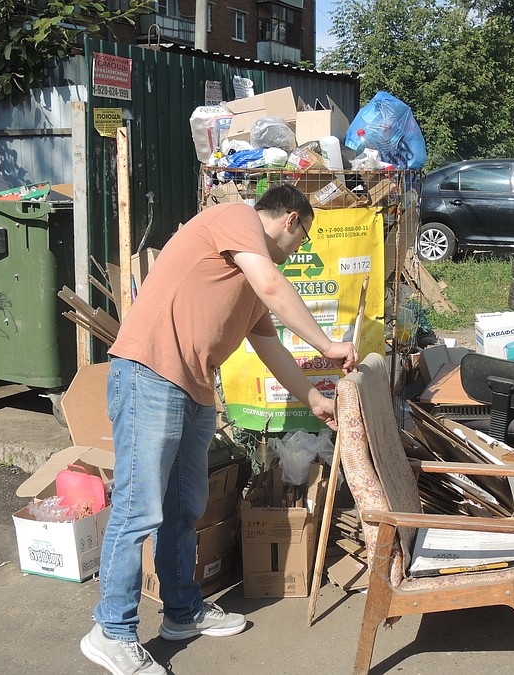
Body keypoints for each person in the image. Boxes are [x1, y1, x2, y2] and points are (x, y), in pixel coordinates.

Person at [80, 184, 359, 675]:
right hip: (149, 373)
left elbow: (272, 350)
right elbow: (273, 284)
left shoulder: (249, 283)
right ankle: (112, 630)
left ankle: (182, 611)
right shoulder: (236, 218)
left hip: (192, 388)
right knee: (137, 505)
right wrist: (328, 344)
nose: (299, 250)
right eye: (303, 238)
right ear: (291, 219)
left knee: (183, 506)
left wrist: (314, 398)